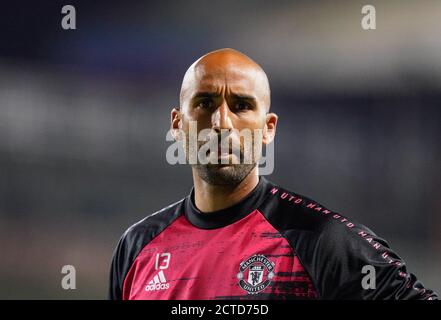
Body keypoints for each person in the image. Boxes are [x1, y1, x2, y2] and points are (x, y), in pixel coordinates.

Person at [109, 48, 438, 300]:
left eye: (241, 106)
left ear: (268, 129)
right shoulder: (137, 247)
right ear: (178, 125)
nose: (222, 123)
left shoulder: (321, 241)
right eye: (205, 103)